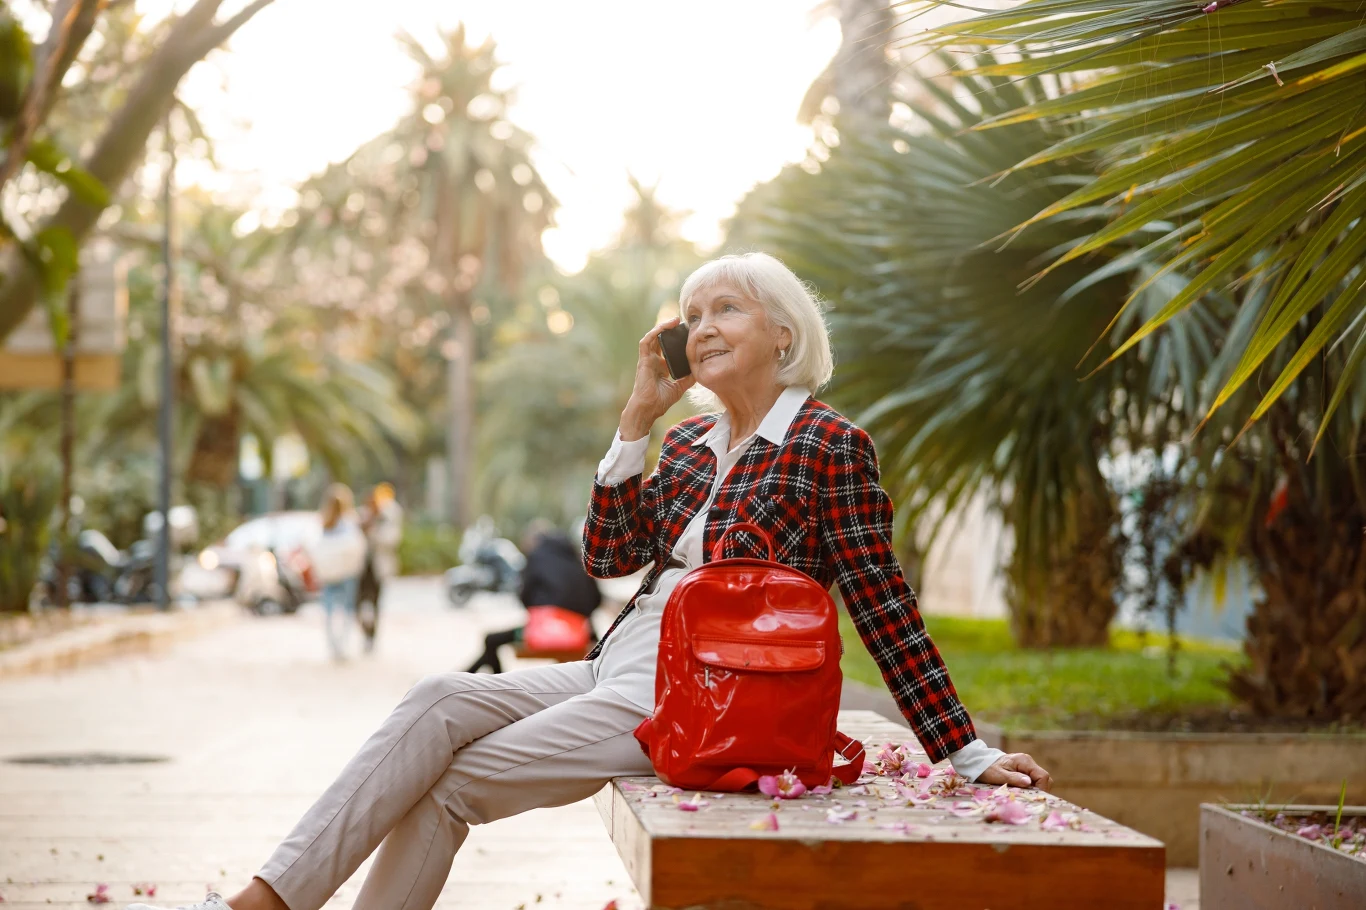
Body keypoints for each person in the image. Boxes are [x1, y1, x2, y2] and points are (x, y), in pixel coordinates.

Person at [129, 252, 1051, 910]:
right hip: (621, 665)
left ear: (783, 333)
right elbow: (609, 559)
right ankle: (271, 898)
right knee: (436, 699)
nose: (702, 328)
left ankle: (265, 906)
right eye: (692, 315)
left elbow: (883, 602)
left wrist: (964, 751)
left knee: (450, 782)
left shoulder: (828, 444)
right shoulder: (686, 444)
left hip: (709, 692)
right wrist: (634, 427)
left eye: (725, 310)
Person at [464, 520, 603, 674]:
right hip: (578, 632)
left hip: (543, 629)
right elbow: (596, 598)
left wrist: (543, 610)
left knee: (491, 640)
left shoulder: (536, 557)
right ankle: (467, 674)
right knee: (492, 641)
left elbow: (524, 595)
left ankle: (486, 679)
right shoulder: (577, 558)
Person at [310, 484, 366, 661]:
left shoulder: (324, 522)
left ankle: (333, 646)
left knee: (329, 611)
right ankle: (342, 646)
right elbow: (358, 547)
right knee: (347, 609)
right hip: (347, 572)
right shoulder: (349, 522)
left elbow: (315, 547)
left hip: (329, 572)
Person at [356, 483, 403, 652]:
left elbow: (393, 539)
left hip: (378, 569)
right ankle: (364, 630)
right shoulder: (360, 516)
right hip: (360, 569)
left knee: (375, 603)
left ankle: (372, 636)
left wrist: (373, 530)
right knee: (358, 603)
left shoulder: (387, 518)